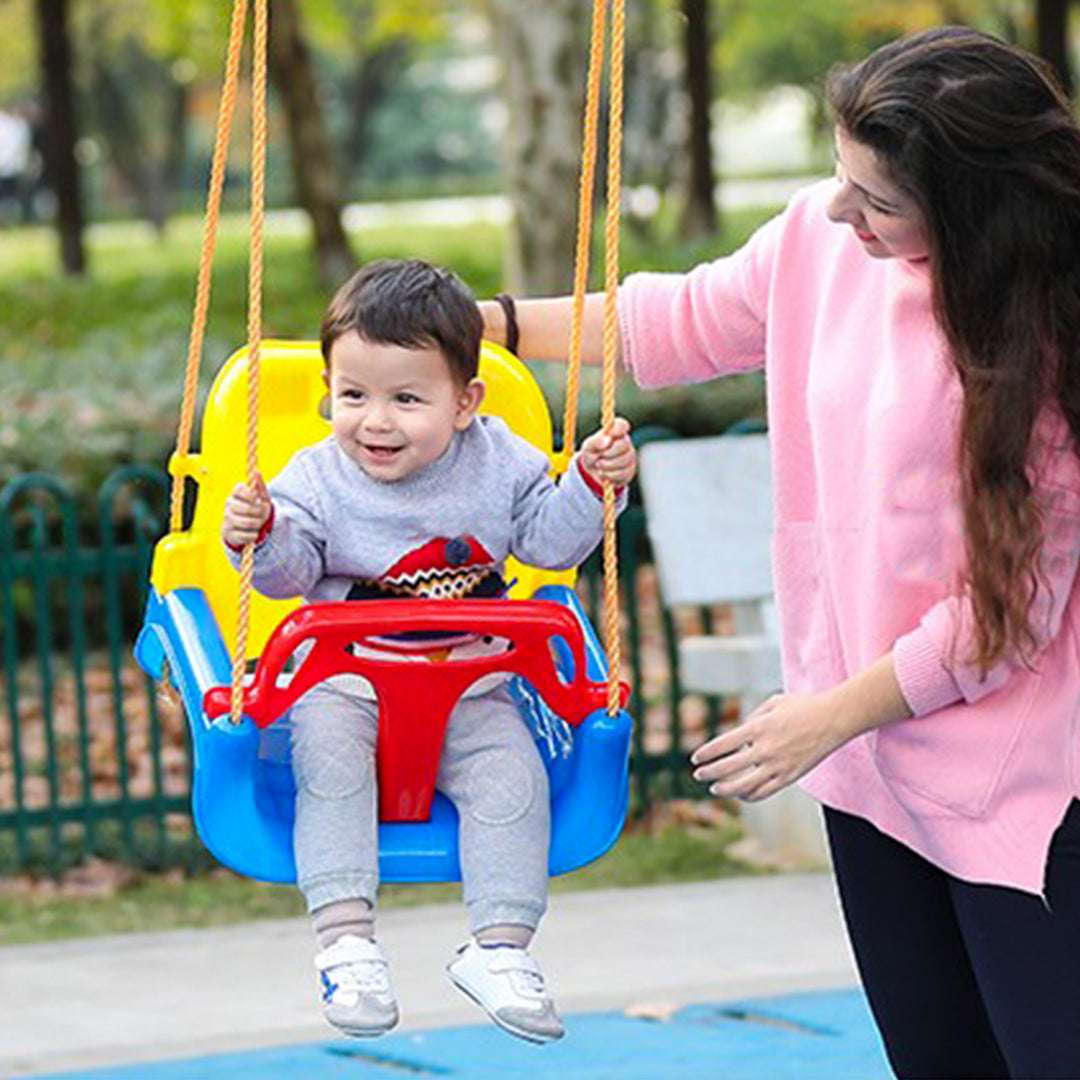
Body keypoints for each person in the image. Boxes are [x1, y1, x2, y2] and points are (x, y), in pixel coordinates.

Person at [480, 27, 1080, 1079]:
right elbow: (678, 319)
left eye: (878, 199)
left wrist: (828, 714)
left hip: (1024, 777)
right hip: (869, 763)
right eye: (840, 175)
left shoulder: (1049, 339)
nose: (841, 210)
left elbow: (1004, 617)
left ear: (973, 210)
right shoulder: (821, 240)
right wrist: (479, 324)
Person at [221, 258, 636, 1044]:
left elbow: (550, 545)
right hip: (344, 681)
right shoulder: (315, 476)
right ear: (329, 390)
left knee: (513, 785)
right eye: (353, 396)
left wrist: (589, 484)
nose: (375, 422)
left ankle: (500, 949)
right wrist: (261, 534)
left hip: (472, 681)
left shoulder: (502, 461)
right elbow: (286, 579)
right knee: (331, 772)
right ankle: (347, 942)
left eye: (406, 399)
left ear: (465, 402)